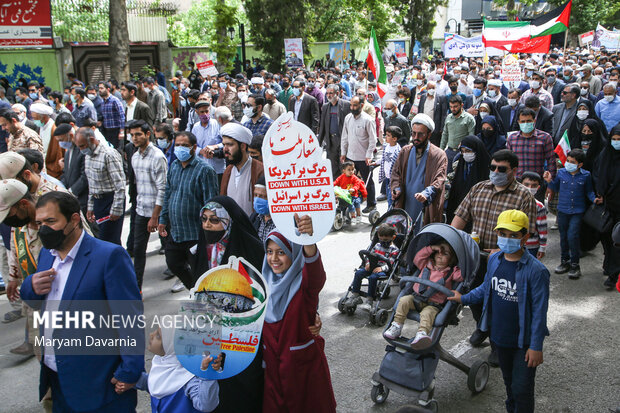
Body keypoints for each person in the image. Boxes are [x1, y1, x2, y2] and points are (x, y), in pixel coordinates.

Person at [20, 191, 143, 412]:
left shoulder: (109, 256)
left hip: (100, 385)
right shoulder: (47, 255)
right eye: (39, 223)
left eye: (51, 221)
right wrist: (30, 286)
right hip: (58, 381)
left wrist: (130, 371)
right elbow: (35, 301)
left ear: (74, 219)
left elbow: (129, 319)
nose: (44, 229)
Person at [448, 210, 550, 413]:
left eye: (513, 235)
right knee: (510, 384)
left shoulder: (537, 271)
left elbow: (539, 312)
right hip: (500, 337)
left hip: (524, 343)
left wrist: (536, 346)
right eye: (503, 234)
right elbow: (487, 288)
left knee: (523, 389)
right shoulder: (494, 260)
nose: (507, 239)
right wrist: (463, 298)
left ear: (525, 237)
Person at [451, 150, 537, 352]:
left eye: (502, 169)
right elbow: (460, 218)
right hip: (475, 257)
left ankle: (500, 346)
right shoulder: (478, 189)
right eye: (493, 167)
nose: (496, 171)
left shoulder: (524, 196)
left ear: (513, 171)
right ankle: (483, 327)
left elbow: (529, 231)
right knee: (474, 296)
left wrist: (502, 250)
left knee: (501, 303)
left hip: (506, 259)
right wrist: (450, 240)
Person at [262, 217, 337, 413]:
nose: (274, 258)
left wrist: (308, 241)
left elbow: (315, 275)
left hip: (303, 375)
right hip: (272, 376)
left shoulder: (303, 287)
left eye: (281, 252)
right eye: (269, 252)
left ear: (293, 254)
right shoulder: (260, 289)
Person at [158, 131, 219, 292]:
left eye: (184, 146)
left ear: (193, 148)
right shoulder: (174, 166)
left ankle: (205, 302)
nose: (180, 148)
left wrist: (209, 232)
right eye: (177, 145)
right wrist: (163, 219)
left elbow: (210, 204)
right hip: (176, 232)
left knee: (201, 272)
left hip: (195, 235)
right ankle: (195, 291)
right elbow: (168, 194)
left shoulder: (205, 170)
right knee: (173, 263)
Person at [384, 240, 462, 349]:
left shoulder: (452, 271)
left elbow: (462, 277)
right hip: (416, 298)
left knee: (428, 314)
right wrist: (433, 247)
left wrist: (461, 263)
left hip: (433, 304)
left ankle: (421, 334)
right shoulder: (425, 264)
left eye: (445, 254)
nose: (440, 255)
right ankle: (397, 325)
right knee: (404, 300)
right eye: (438, 252)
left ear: (452, 258)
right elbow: (417, 258)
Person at [137, 327, 220, 413]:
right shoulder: (162, 364)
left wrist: (207, 375)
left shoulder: (188, 377)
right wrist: (130, 379)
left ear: (170, 347)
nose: (151, 335)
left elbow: (206, 405)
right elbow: (156, 383)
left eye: (158, 336)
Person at [544, 149, 597, 279]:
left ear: (580, 165)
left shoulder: (586, 175)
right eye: (567, 161)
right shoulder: (561, 173)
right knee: (563, 237)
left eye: (572, 162)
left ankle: (575, 265)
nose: (568, 164)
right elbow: (556, 188)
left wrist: (595, 199)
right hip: (562, 210)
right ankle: (564, 261)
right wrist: (549, 181)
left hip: (577, 211)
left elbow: (589, 192)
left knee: (573, 236)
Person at [128, 120, 168, 290]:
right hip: (140, 210)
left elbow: (162, 189)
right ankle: (137, 288)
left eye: (138, 134)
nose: (135, 138)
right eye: (132, 135)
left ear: (147, 134)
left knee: (170, 249)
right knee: (138, 250)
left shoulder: (158, 157)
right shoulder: (135, 156)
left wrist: (155, 216)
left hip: (157, 213)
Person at [391, 113, 448, 227]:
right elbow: (395, 173)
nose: (416, 137)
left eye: (420, 134)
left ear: (429, 134)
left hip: (425, 205)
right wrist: (396, 189)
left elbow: (440, 179)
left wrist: (427, 193)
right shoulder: (405, 151)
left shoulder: (439, 155)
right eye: (414, 133)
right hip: (405, 202)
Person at [75, 127, 126, 245]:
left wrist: (116, 208)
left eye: (83, 146)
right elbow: (92, 184)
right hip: (98, 202)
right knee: (103, 240)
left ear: (92, 140)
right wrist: (91, 206)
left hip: (111, 200)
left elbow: (120, 185)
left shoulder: (109, 154)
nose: (81, 150)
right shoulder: (88, 156)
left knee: (110, 240)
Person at [346, 223, 399, 307]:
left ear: (393, 237)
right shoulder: (377, 245)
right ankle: (356, 295)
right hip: (372, 266)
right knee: (358, 273)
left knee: (373, 277)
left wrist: (381, 268)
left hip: (384, 269)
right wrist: (367, 263)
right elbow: (369, 255)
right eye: (380, 239)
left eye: (385, 240)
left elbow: (391, 263)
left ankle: (369, 300)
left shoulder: (394, 249)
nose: (382, 241)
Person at [340, 95, 377, 213]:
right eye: (351, 105)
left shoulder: (368, 120)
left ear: (361, 106)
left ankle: (371, 204)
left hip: (364, 157)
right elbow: (344, 137)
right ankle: (349, 203)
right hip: (351, 155)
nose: (352, 107)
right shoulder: (348, 118)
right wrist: (343, 152)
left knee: (367, 181)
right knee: (348, 181)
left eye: (355, 105)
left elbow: (373, 140)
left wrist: (369, 155)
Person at [219, 122, 263, 217]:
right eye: (224, 145)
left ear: (243, 146)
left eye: (230, 145)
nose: (225, 150)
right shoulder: (228, 171)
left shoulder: (259, 170)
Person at [445, 135, 490, 225]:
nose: (465, 154)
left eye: (468, 151)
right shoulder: (462, 165)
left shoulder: (486, 167)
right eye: (463, 151)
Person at [506, 108, 557, 185]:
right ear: (518, 122)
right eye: (523, 121)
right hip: (517, 181)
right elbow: (508, 161)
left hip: (537, 181)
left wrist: (550, 183)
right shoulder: (512, 138)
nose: (526, 123)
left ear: (534, 121)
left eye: (529, 121)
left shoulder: (545, 137)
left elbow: (551, 160)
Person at [318, 84, 350, 180]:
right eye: (327, 93)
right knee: (332, 167)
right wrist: (318, 143)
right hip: (330, 141)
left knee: (343, 166)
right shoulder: (325, 107)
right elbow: (322, 126)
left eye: (331, 93)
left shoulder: (346, 105)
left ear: (337, 93)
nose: (328, 95)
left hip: (343, 140)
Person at [441, 95, 476, 166]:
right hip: (449, 151)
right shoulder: (448, 117)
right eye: (451, 107)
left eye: (455, 106)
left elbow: (471, 137)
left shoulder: (469, 118)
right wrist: (441, 150)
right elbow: (445, 135)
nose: (453, 109)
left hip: (462, 153)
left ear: (462, 105)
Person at [520, 172, 548, 260]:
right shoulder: (513, 202)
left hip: (532, 246)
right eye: (527, 184)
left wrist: (542, 247)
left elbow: (542, 229)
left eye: (534, 185)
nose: (530, 188)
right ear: (520, 185)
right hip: (514, 244)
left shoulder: (539, 206)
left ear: (538, 188)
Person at [379, 126, 402, 208]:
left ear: (394, 138)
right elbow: (383, 159)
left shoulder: (398, 150)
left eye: (388, 135)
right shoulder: (386, 146)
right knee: (389, 197)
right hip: (387, 177)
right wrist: (375, 163)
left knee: (391, 198)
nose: (386, 137)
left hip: (394, 180)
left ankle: (390, 214)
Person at [98, 81, 125, 149]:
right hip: (106, 131)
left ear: (108, 89)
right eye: (99, 88)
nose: (100, 90)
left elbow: (122, 116)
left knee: (116, 150)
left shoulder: (114, 100)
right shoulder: (102, 102)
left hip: (115, 130)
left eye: (102, 88)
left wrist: (122, 131)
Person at [250, 176, 276, 243]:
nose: (257, 199)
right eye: (255, 195)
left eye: (262, 196)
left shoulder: (282, 222)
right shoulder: (254, 218)